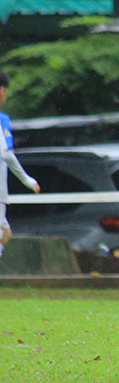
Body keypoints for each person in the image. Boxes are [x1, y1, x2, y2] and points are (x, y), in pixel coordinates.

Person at [0, 69, 41, 258]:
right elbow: (6, 154)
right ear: (1, 91)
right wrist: (28, 180)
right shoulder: (2, 120)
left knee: (4, 235)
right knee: (2, 236)